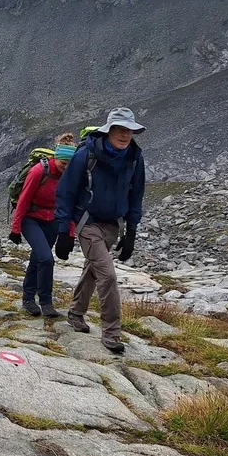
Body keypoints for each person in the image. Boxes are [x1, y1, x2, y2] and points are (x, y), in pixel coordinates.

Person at [53, 108, 146, 354]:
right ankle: (112, 333)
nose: (125, 135)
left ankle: (75, 313)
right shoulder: (86, 155)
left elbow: (136, 195)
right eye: (120, 130)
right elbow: (66, 192)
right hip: (87, 222)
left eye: (129, 130)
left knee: (93, 271)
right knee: (108, 275)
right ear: (108, 131)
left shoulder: (135, 158)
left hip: (113, 225)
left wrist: (131, 233)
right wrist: (64, 231)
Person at [9, 133, 77, 317]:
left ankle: (28, 299)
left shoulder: (71, 176)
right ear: (57, 158)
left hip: (52, 220)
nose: (66, 168)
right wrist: (15, 228)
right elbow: (23, 200)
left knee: (38, 258)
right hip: (31, 219)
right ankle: (46, 302)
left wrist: (70, 234)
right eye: (64, 164)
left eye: (70, 165)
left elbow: (71, 204)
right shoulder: (39, 171)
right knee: (47, 259)